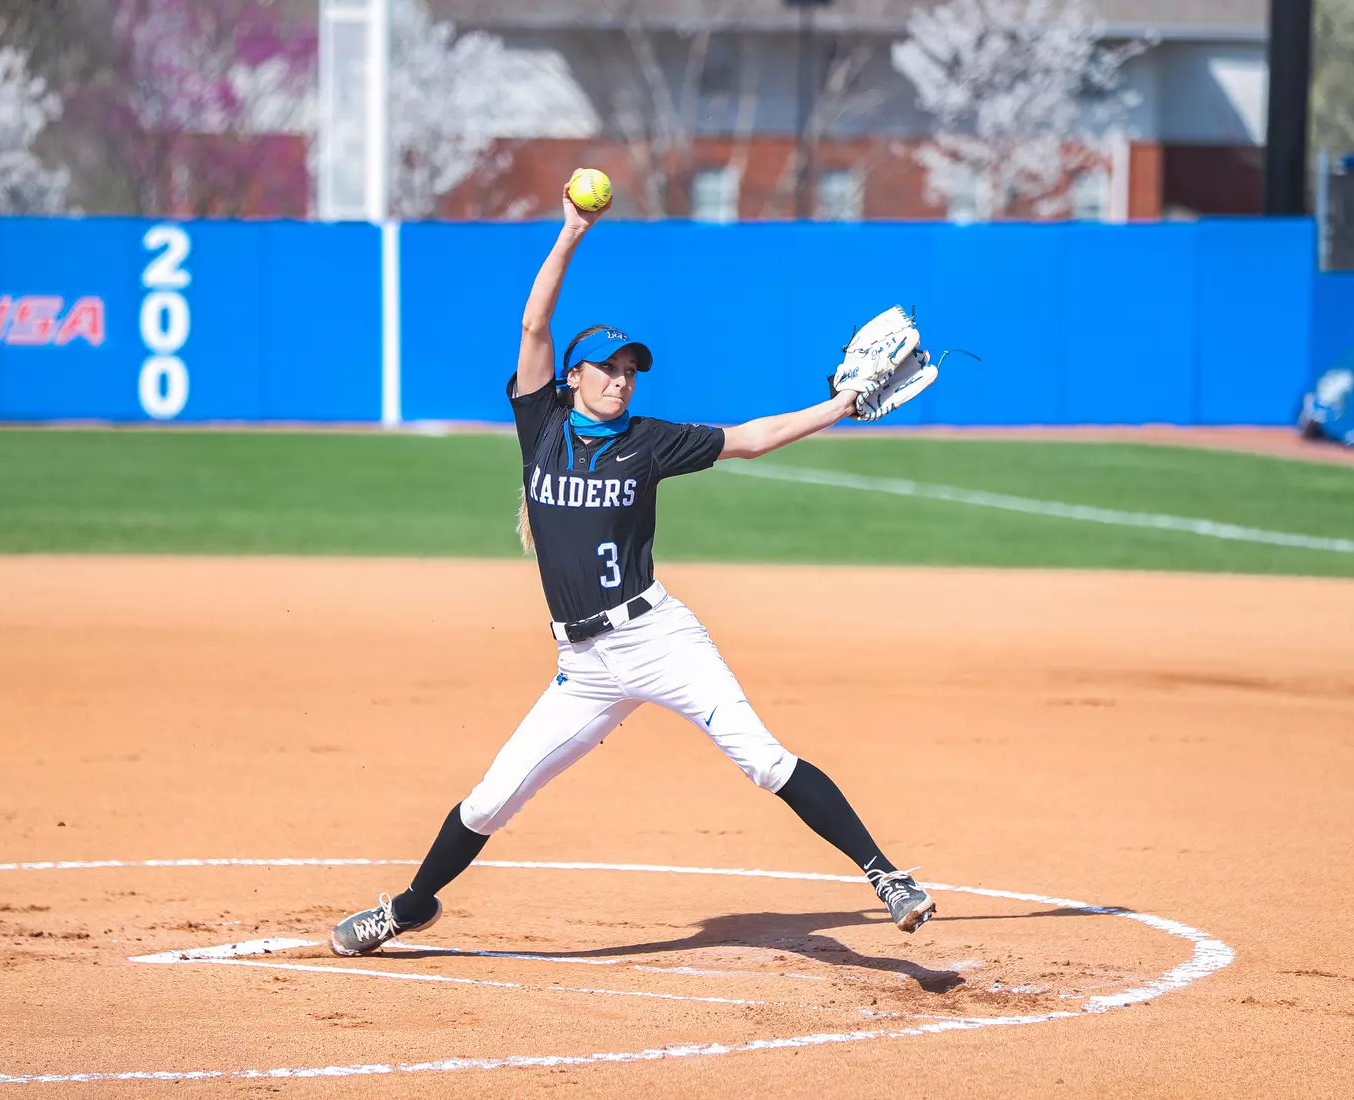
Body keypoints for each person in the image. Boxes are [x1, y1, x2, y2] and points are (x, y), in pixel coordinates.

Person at [331, 187, 935, 957]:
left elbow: (750, 438)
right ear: (572, 377)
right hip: (582, 668)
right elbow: (533, 322)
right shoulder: (540, 425)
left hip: (661, 641)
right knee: (489, 800)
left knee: (764, 759)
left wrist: (841, 405)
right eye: (607, 368)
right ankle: (411, 908)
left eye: (631, 370)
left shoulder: (649, 441)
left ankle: (888, 877)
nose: (621, 379)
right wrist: (570, 232)